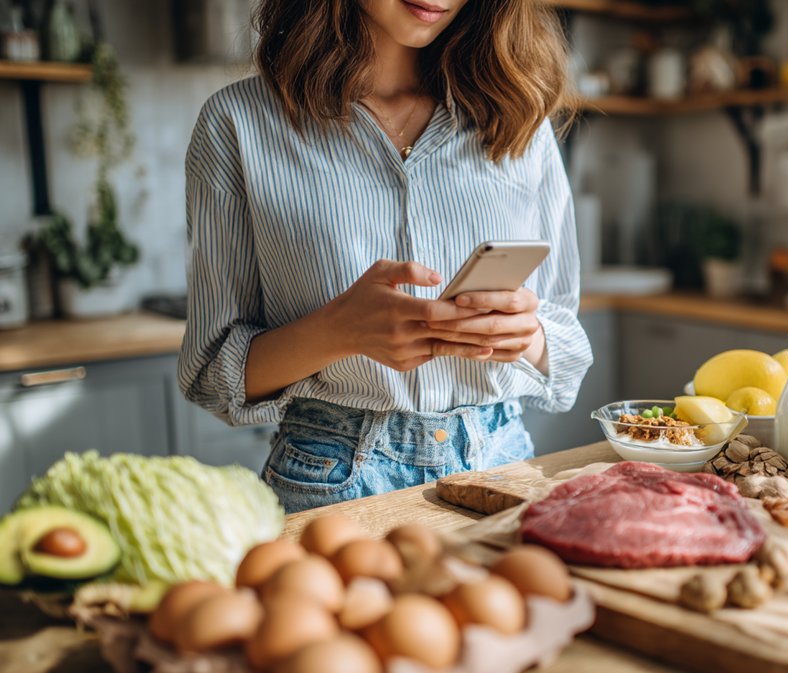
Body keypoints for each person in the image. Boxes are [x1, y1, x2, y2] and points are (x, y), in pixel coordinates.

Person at [178, 0, 592, 513]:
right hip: (327, 477)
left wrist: (528, 336)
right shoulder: (238, 122)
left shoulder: (518, 115)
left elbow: (567, 347)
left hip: (502, 463)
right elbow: (211, 373)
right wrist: (337, 332)